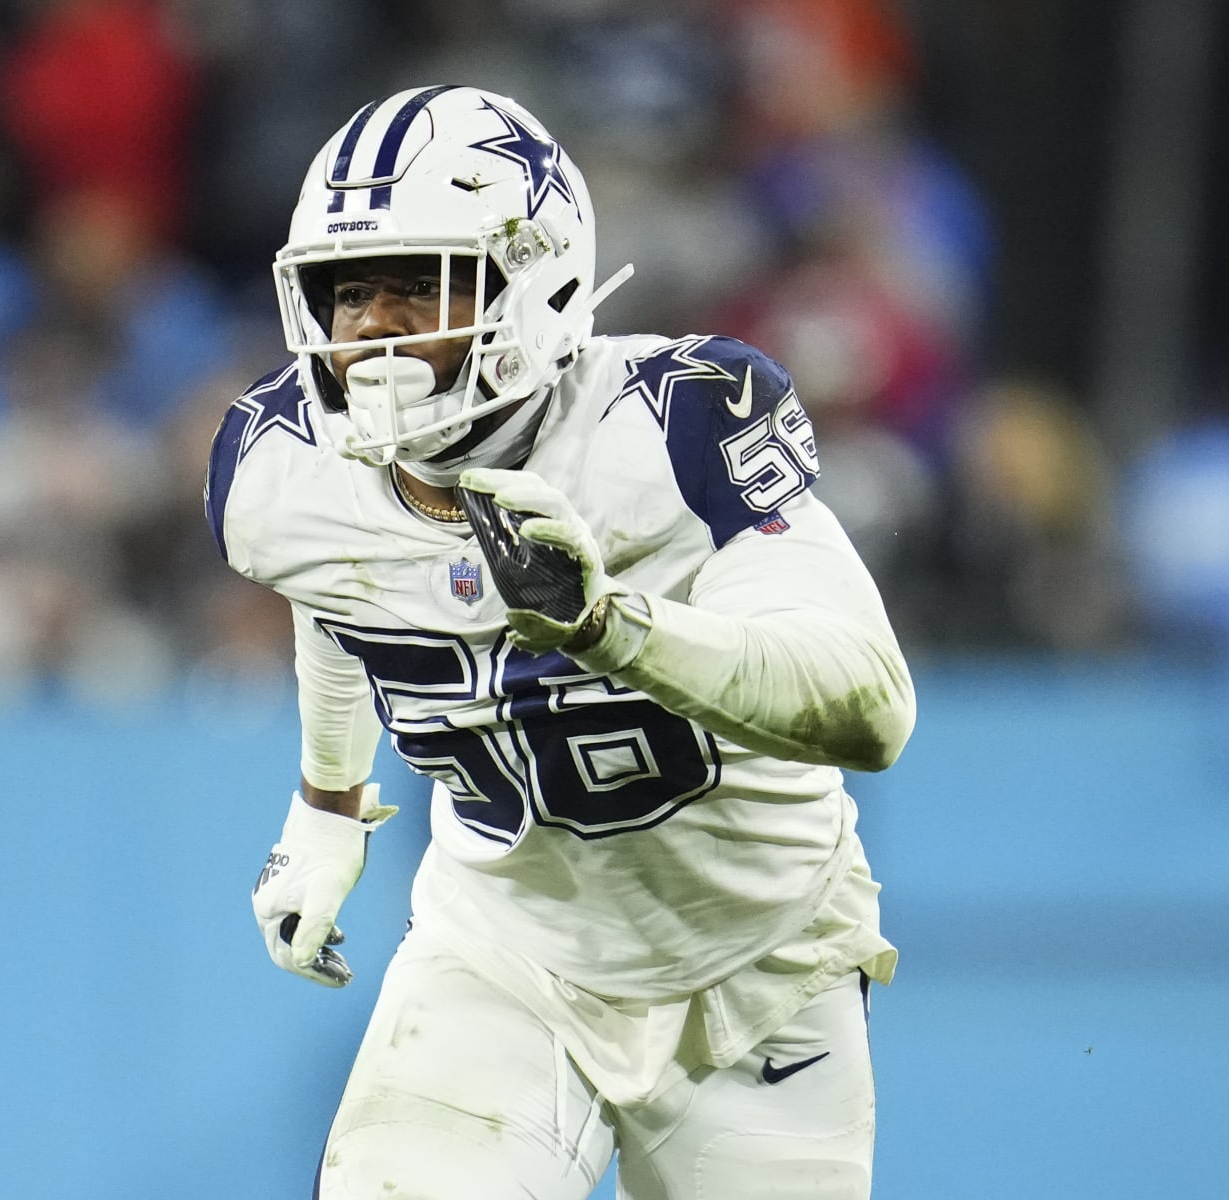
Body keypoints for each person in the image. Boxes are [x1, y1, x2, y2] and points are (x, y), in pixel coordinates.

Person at [205, 85, 916, 1198]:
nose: (376, 330)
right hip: (504, 953)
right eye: (350, 293)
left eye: (419, 285)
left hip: (761, 966)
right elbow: (337, 585)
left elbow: (872, 708)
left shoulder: (673, 429)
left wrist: (607, 628)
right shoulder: (279, 472)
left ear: (539, 285)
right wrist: (326, 801)